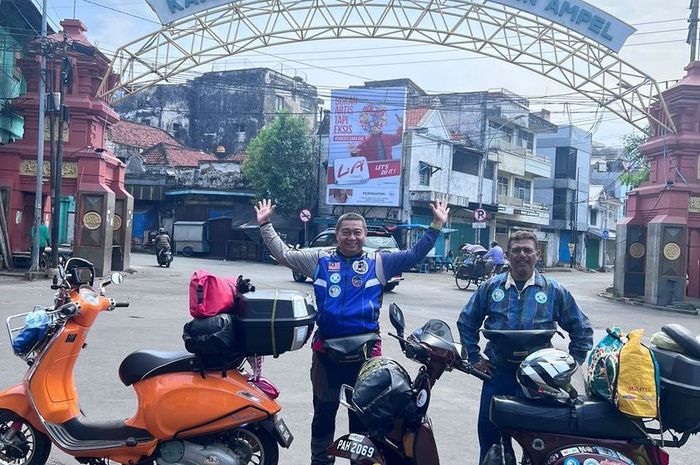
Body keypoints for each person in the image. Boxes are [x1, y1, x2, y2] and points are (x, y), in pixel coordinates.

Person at [254, 199, 449, 465]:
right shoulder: (320, 259)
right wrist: (265, 224)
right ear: (337, 235)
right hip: (326, 355)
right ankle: (321, 461)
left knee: (363, 420)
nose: (352, 237)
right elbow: (284, 254)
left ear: (365, 235)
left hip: (366, 360)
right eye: (346, 232)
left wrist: (436, 225)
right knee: (323, 415)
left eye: (357, 232)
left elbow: (414, 254)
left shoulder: (380, 262)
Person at [456, 230, 593, 463]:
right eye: (516, 250)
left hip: (541, 383)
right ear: (507, 255)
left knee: (540, 443)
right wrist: (475, 357)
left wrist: (568, 367)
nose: (522, 255)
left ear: (537, 255)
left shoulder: (554, 291)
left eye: (527, 250)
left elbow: (582, 331)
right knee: (492, 440)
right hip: (498, 375)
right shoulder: (490, 288)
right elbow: (466, 322)